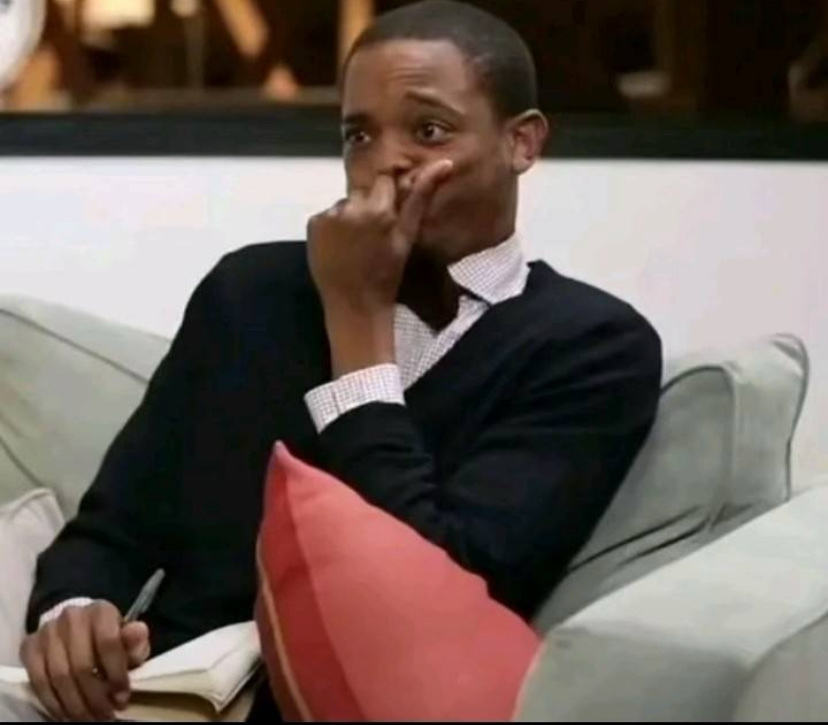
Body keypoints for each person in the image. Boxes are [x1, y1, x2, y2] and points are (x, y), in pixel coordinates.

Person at [8, 1, 662, 721]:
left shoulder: (591, 346)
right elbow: (114, 525)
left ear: (522, 142)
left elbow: (441, 587)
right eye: (359, 134)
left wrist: (357, 324)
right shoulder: (250, 294)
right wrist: (72, 611)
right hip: (161, 700)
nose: (386, 161)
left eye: (429, 130)